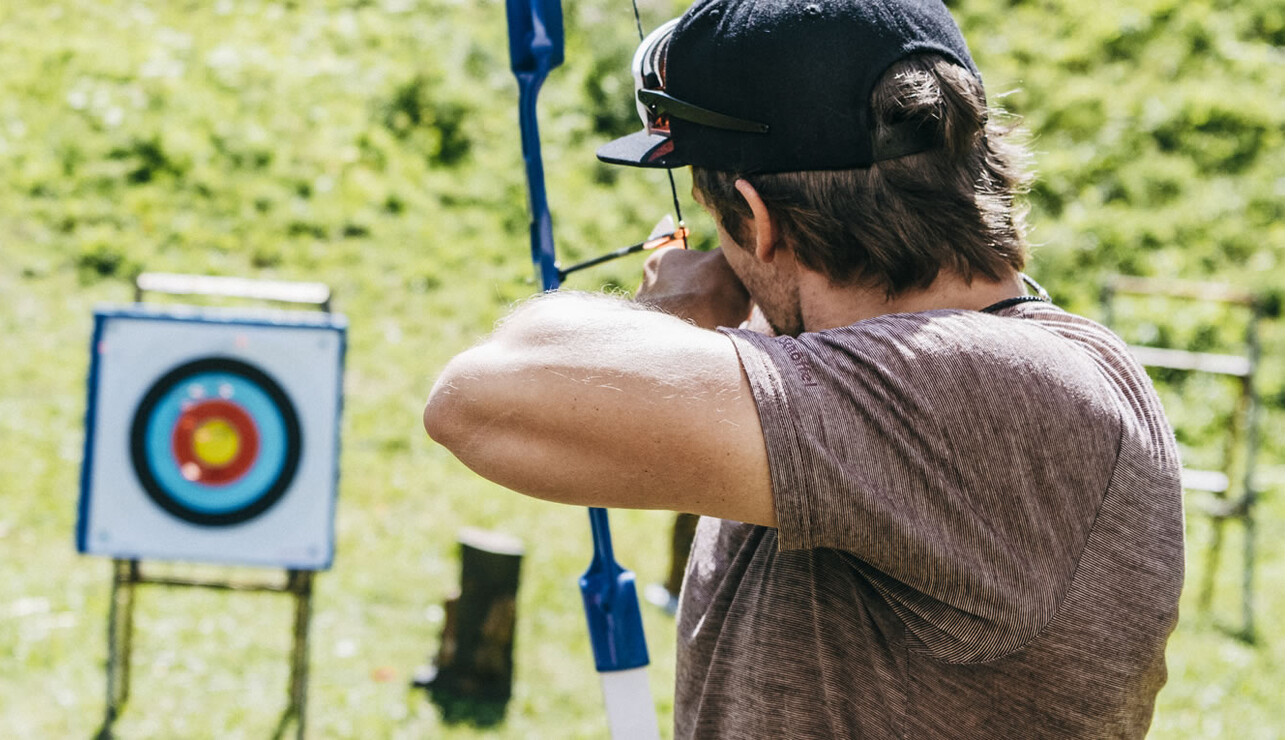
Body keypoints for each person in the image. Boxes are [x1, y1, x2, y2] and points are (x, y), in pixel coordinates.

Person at [422, 0, 1181, 737]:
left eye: (716, 221)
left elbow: (479, 399)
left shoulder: (999, 396)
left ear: (757, 218)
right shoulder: (982, 385)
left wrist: (673, 317)